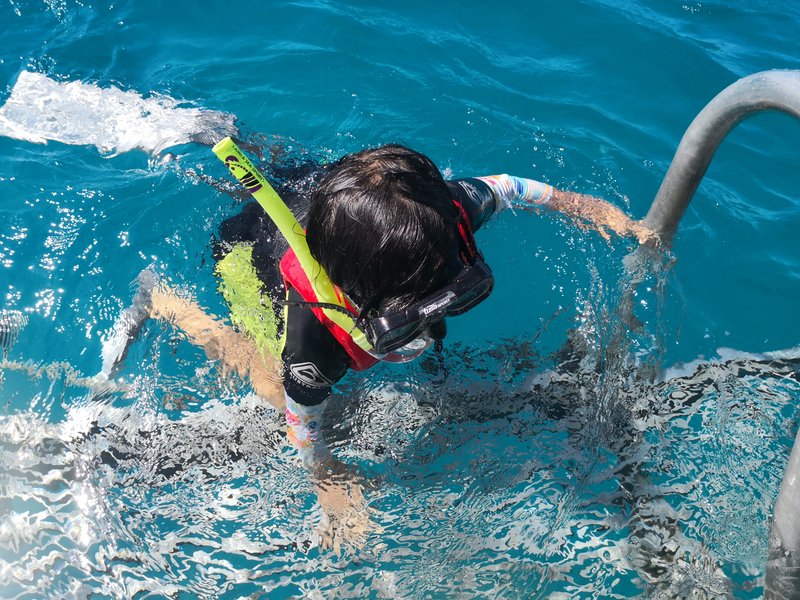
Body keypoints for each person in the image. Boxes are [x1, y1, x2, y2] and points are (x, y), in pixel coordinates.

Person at [113, 142, 655, 552]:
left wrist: (590, 209)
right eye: (405, 321)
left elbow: (511, 186)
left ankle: (248, 146)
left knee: (289, 172)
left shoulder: (444, 215)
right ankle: (164, 301)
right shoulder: (312, 338)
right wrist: (327, 475)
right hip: (253, 252)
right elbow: (302, 424)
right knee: (273, 386)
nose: (427, 326)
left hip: (336, 198)